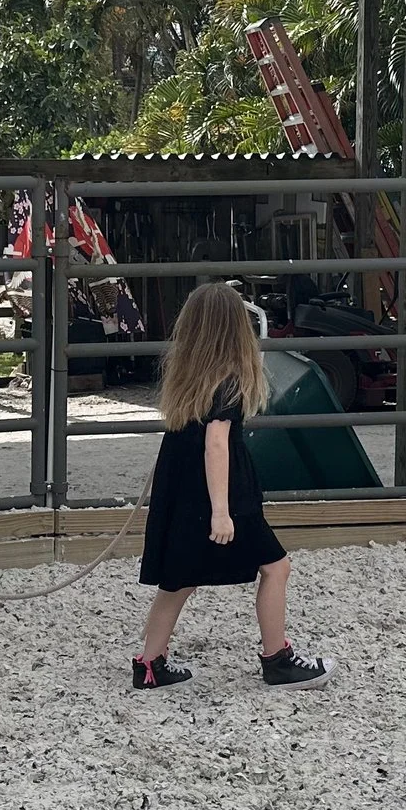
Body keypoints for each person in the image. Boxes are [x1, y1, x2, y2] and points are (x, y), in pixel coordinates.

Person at [132, 282, 330, 691]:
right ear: (233, 328)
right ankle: (278, 660)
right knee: (276, 567)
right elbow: (217, 442)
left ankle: (149, 664)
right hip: (222, 494)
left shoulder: (189, 376)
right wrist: (222, 511)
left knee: (179, 576)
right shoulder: (229, 380)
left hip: (184, 489)